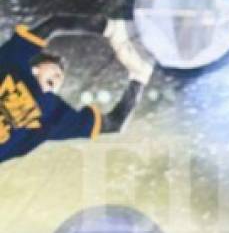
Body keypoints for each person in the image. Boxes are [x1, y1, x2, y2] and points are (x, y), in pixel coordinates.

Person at [0, 14, 153, 164]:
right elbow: (53, 23)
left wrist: (139, 77)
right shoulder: (14, 61)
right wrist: (110, 28)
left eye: (60, 79)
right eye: (55, 71)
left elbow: (115, 123)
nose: (58, 78)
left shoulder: (53, 114)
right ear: (37, 68)